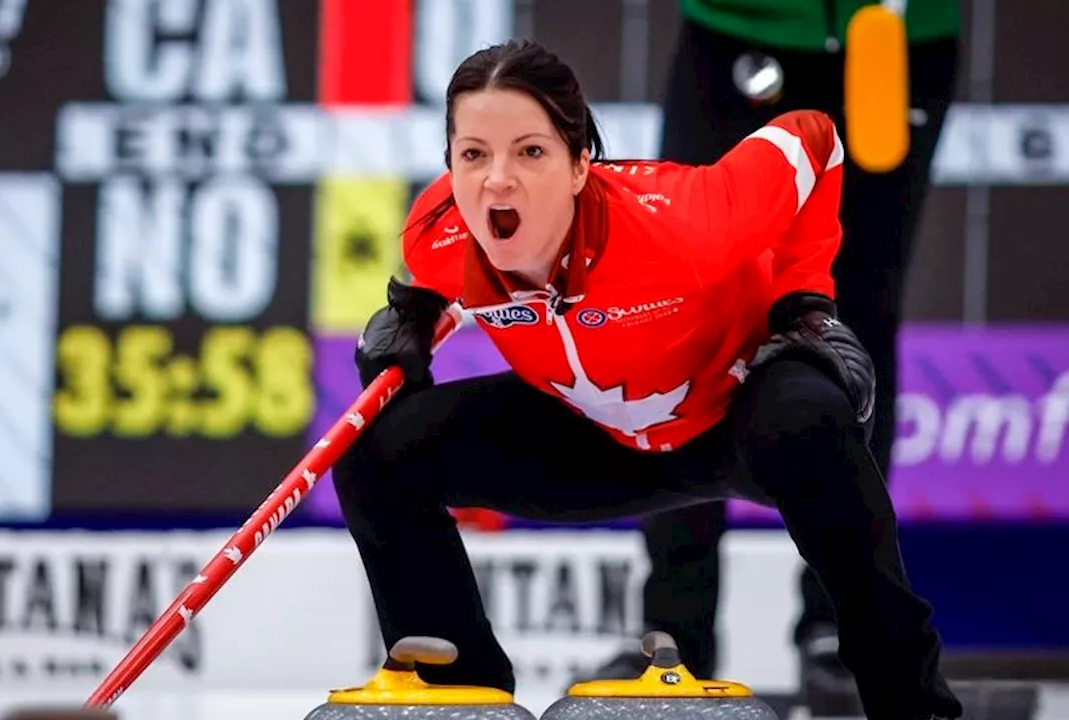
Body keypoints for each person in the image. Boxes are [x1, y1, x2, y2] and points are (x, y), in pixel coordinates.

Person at [335, 38, 961, 720]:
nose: (497, 180)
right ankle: (458, 693)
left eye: (531, 152)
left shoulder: (686, 222)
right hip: (594, 435)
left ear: (580, 165)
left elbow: (815, 141)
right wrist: (416, 310)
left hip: (734, 419)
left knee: (809, 416)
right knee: (373, 449)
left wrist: (803, 304)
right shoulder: (439, 234)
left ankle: (911, 704)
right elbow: (442, 255)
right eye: (473, 155)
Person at [575, 1, 960, 711]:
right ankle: (675, 629)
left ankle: (844, 627)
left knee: (856, 321)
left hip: (895, 43)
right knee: (686, 297)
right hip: (739, 27)